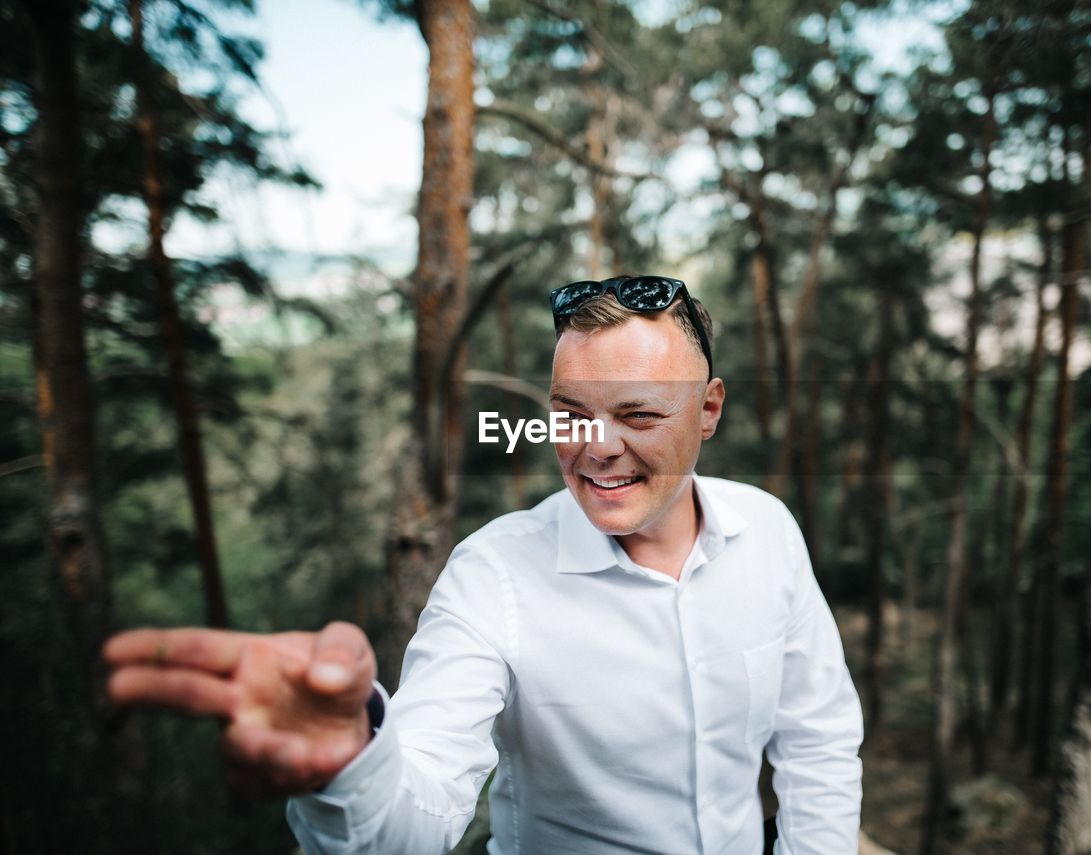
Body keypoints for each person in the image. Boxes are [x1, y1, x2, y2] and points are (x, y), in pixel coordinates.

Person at [104, 274, 864, 854]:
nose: (595, 446)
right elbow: (420, 811)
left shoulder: (768, 529)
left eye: (637, 413)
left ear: (709, 409)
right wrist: (350, 766)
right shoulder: (493, 574)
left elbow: (819, 734)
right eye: (571, 412)